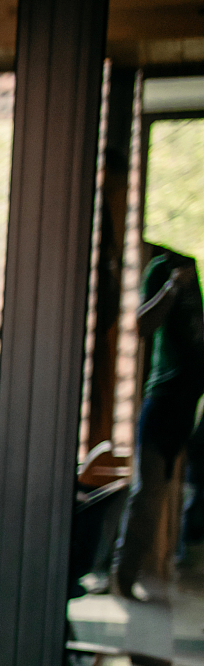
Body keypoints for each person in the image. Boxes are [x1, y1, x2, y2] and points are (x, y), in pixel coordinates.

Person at [115, 242, 204, 598]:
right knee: (148, 494)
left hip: (193, 403)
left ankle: (183, 563)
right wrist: (172, 288)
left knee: (187, 489)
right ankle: (124, 575)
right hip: (165, 399)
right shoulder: (167, 269)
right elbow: (142, 324)